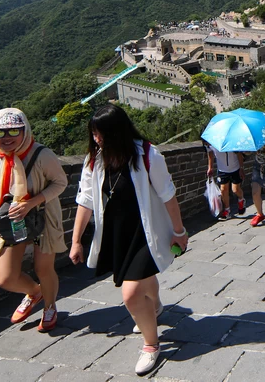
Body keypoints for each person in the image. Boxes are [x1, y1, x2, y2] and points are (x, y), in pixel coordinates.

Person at [70, 105, 188, 376]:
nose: (97, 139)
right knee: (143, 280)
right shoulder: (94, 161)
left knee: (131, 293)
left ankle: (151, 345)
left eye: (101, 134)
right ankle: (155, 307)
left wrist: (179, 232)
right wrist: (76, 240)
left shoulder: (147, 155)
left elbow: (168, 195)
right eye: (94, 134)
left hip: (147, 232)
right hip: (116, 233)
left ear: (117, 132)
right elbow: (85, 200)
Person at [0, 108, 67, 332]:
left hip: (43, 216)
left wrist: (32, 203)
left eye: (13, 130)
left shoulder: (41, 154)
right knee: (6, 277)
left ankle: (50, 306)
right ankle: (35, 292)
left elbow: (60, 183)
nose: (6, 138)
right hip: (11, 220)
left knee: (44, 268)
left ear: (24, 129)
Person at [205, 144, 245, 219]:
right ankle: (227, 210)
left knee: (235, 189)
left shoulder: (231, 141)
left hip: (235, 168)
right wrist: (210, 167)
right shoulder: (211, 143)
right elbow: (210, 153)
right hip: (222, 169)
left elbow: (239, 154)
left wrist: (241, 168)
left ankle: (241, 199)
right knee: (223, 190)